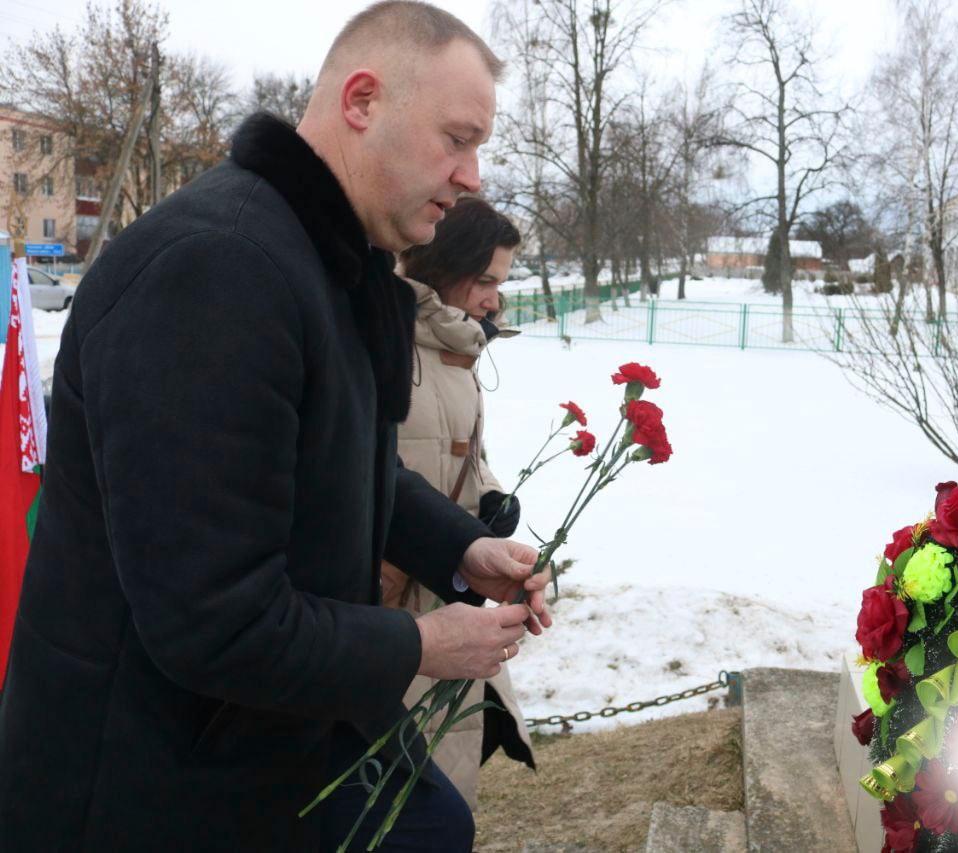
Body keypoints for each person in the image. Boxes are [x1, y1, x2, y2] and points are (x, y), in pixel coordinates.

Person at [0, 3, 552, 850]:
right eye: (457, 137)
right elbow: (212, 618)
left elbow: (339, 463)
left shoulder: (331, 260)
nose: (473, 174)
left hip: (270, 732)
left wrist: (459, 548)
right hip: (152, 781)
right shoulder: (215, 272)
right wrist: (420, 643)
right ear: (362, 102)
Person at [381, 197, 535, 808]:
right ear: (445, 265)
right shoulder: (388, 345)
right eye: (487, 280)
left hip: (449, 587)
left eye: (501, 282)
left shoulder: (457, 350)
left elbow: (464, 453)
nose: (495, 298)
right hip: (393, 606)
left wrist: (492, 500)